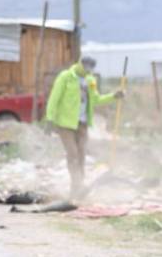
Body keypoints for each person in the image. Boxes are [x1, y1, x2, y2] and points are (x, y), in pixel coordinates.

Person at [44, 55, 124, 200]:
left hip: (82, 123)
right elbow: (54, 98)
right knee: (73, 154)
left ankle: (77, 189)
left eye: (91, 67)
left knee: (81, 156)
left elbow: (96, 100)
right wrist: (49, 119)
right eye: (86, 66)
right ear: (80, 64)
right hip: (65, 123)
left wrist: (114, 96)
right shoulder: (66, 77)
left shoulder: (90, 80)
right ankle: (77, 185)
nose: (89, 70)